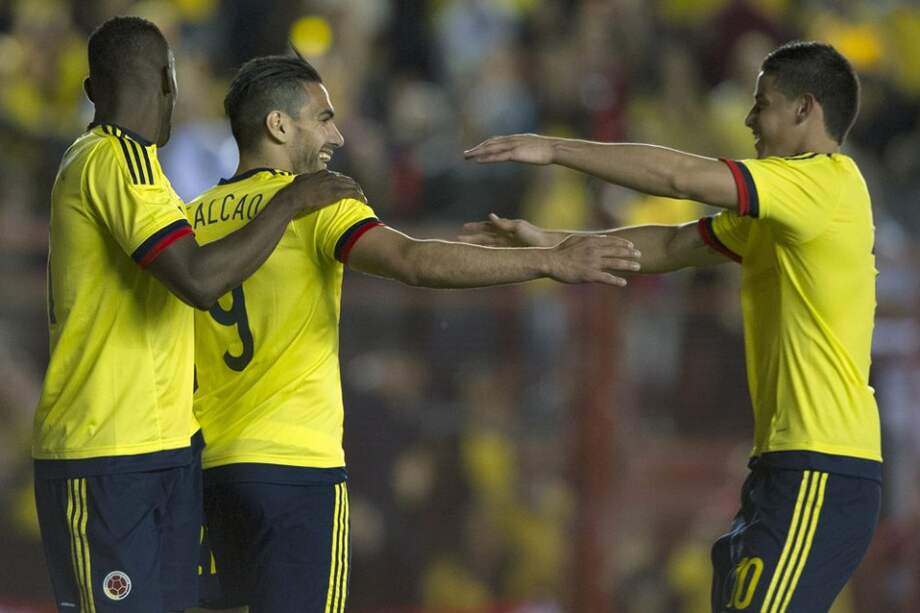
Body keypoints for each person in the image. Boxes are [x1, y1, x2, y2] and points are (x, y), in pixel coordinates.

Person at [188, 54, 640, 613]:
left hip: (205, 472)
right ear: (279, 126)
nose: (338, 133)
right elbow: (413, 260)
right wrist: (551, 261)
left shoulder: (190, 219)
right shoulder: (314, 202)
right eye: (323, 118)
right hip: (293, 471)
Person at [462, 41, 880, 613]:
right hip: (787, 465)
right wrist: (556, 244)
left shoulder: (823, 184)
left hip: (821, 466)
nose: (748, 119)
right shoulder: (784, 207)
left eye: (762, 103)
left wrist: (554, 148)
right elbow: (675, 243)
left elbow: (682, 178)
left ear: (806, 109)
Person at [33, 17, 362, 613]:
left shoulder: (146, 174)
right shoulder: (113, 158)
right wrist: (289, 199)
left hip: (164, 448)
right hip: (104, 451)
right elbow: (197, 280)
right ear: (169, 82)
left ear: (89, 88)